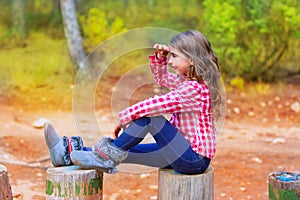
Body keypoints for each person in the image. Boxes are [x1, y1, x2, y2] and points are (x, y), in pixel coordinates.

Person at [45, 30, 224, 175]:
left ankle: (103, 157)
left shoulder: (194, 90)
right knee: (124, 150)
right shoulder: (186, 81)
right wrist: (160, 58)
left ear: (191, 59)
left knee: (152, 119)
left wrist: (125, 117)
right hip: (179, 152)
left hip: (192, 160)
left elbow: (157, 105)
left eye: (174, 56)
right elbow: (162, 78)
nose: (170, 61)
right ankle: (65, 154)